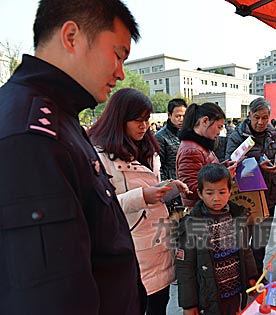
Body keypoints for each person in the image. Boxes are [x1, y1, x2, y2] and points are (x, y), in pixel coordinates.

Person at [0, 1, 145, 314]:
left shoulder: (59, 117)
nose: (121, 73)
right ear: (71, 37)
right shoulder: (31, 134)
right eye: (118, 55)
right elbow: (49, 295)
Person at [88, 88, 190, 315]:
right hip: (132, 244)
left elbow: (152, 186)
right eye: (137, 120)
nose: (144, 126)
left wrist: (170, 187)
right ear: (119, 118)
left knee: (159, 304)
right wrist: (142, 196)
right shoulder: (100, 155)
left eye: (146, 120)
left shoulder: (147, 147)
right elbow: (100, 205)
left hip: (157, 239)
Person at [176, 163, 258, 315]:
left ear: (229, 191)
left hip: (235, 291)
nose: (216, 198)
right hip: (210, 296)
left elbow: (245, 251)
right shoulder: (193, 224)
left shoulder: (236, 216)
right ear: (200, 193)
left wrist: (251, 276)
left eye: (222, 192)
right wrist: (189, 304)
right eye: (209, 193)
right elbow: (185, 267)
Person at [225, 97, 276, 279]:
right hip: (245, 199)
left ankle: (255, 277)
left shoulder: (274, 134)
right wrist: (256, 166)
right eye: (257, 117)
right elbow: (230, 165)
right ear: (249, 116)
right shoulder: (237, 136)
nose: (261, 122)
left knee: (260, 243)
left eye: (265, 117)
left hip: (268, 198)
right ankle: (239, 278)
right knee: (242, 242)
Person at [176, 102, 236, 209]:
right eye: (219, 127)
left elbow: (206, 171)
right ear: (205, 121)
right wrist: (224, 176)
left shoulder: (200, 145)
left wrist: (222, 167)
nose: (219, 132)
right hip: (200, 213)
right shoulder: (192, 150)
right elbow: (189, 190)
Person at [155, 98, 187, 182]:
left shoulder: (187, 134)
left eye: (184, 116)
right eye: (178, 116)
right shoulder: (160, 137)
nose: (181, 119)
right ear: (169, 115)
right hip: (171, 183)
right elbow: (158, 168)